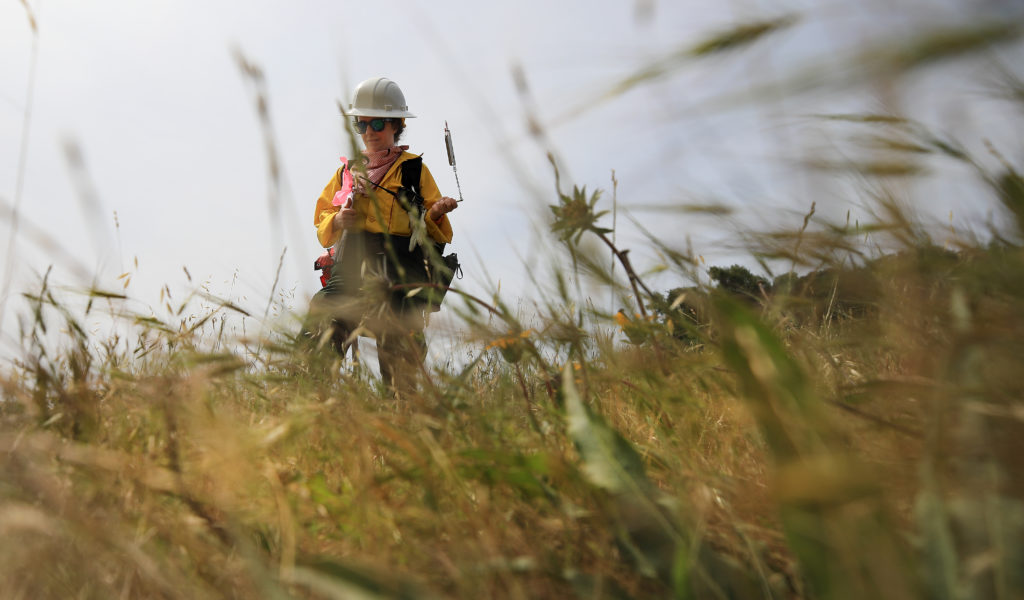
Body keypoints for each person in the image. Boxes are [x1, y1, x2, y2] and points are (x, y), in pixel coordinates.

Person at [305, 76, 458, 395]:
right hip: (349, 272)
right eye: (362, 125)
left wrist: (436, 212)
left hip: (401, 272)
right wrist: (337, 221)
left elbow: (433, 226)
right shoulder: (346, 172)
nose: (369, 133)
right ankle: (311, 409)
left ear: (396, 124)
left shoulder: (414, 170)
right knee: (321, 321)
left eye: (377, 123)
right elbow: (323, 218)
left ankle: (403, 418)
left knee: (402, 354)